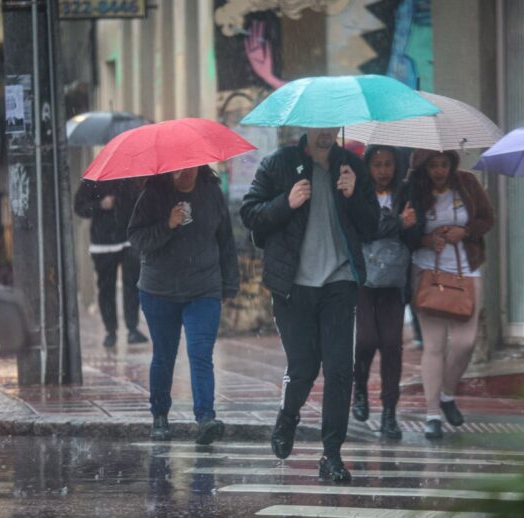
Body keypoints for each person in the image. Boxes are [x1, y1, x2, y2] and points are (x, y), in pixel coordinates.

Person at [240, 128, 379, 482]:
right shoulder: (278, 164)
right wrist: (286, 203)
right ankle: (288, 416)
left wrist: (353, 196)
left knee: (339, 370)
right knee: (303, 367)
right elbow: (250, 214)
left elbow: (372, 226)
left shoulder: (352, 167)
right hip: (293, 284)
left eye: (332, 125)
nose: (326, 133)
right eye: (320, 126)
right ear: (306, 126)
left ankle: (331, 455)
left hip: (339, 281)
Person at [128, 165, 239, 445]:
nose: (184, 172)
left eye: (189, 166)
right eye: (178, 169)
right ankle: (160, 415)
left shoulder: (212, 193)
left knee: (200, 353)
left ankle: (205, 418)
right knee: (164, 356)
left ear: (199, 165)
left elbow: (225, 240)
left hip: (203, 288)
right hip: (159, 290)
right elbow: (138, 239)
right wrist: (167, 225)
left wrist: (229, 284)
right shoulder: (153, 194)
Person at [401, 149, 494, 440]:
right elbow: (404, 231)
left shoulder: (467, 183)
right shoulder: (412, 190)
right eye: (433, 166)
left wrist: (464, 232)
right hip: (428, 272)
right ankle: (432, 414)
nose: (439, 171)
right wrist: (426, 239)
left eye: (443, 165)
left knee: (466, 342)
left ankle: (447, 394)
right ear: (423, 168)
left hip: (467, 271)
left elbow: (487, 219)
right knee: (434, 346)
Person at [351, 145, 416, 440]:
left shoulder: (405, 193)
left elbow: (414, 231)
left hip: (394, 279)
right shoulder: (359, 193)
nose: (383, 170)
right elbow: (363, 228)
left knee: (392, 345)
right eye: (377, 164)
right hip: (364, 278)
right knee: (366, 339)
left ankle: (390, 412)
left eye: (388, 164)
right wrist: (397, 223)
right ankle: (360, 389)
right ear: (368, 167)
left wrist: (407, 225)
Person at [74, 178, 148, 348]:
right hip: (103, 242)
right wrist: (100, 205)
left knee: (132, 285)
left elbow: (141, 204)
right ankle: (110, 331)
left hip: (128, 239)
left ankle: (132, 328)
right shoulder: (93, 180)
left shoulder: (130, 179)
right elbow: (79, 207)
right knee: (106, 288)